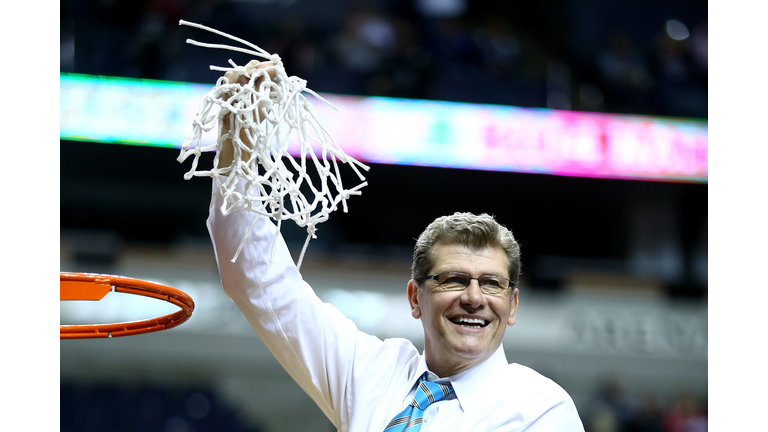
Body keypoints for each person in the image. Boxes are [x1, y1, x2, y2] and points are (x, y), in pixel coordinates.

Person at [206, 61, 585, 431]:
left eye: (491, 283)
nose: (474, 297)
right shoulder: (372, 371)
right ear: (415, 298)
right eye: (453, 279)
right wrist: (235, 147)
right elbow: (257, 278)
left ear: (513, 304)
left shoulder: (541, 410)